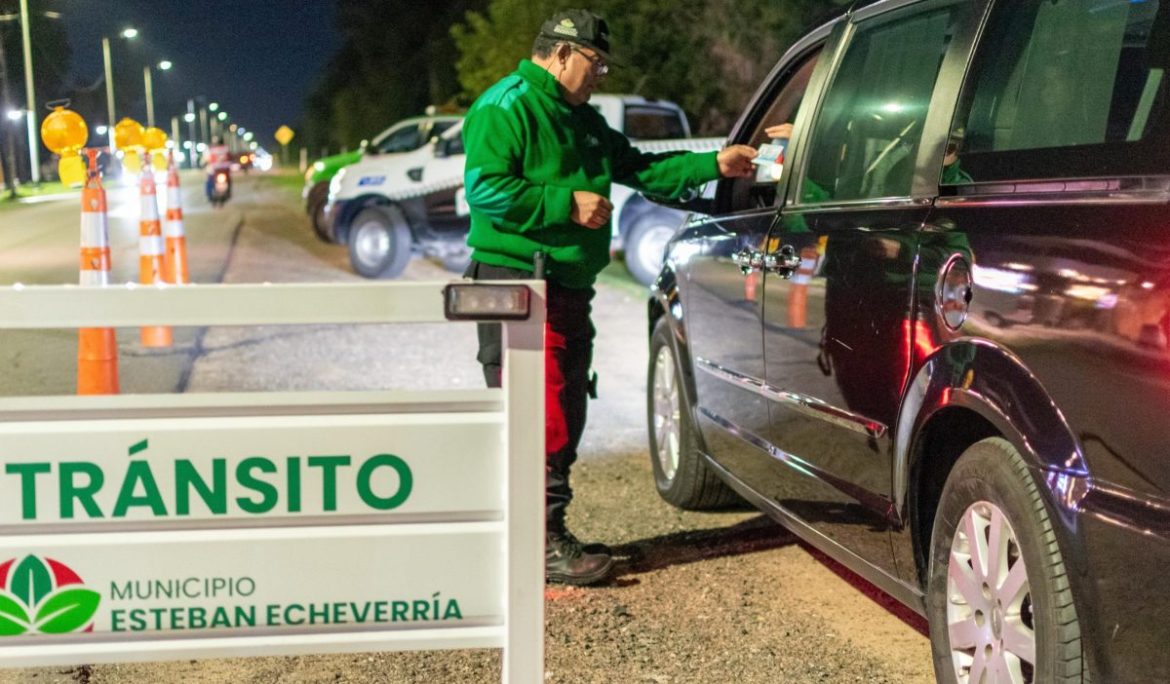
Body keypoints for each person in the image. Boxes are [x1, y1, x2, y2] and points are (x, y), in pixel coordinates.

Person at [461, 9, 757, 586]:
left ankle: (544, 533)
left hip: (566, 285)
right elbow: (485, 189)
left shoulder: (583, 120)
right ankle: (540, 542)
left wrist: (714, 164)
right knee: (539, 412)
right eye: (594, 63)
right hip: (519, 282)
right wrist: (565, 203)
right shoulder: (506, 106)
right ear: (561, 53)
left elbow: (641, 169)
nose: (599, 75)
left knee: (566, 406)